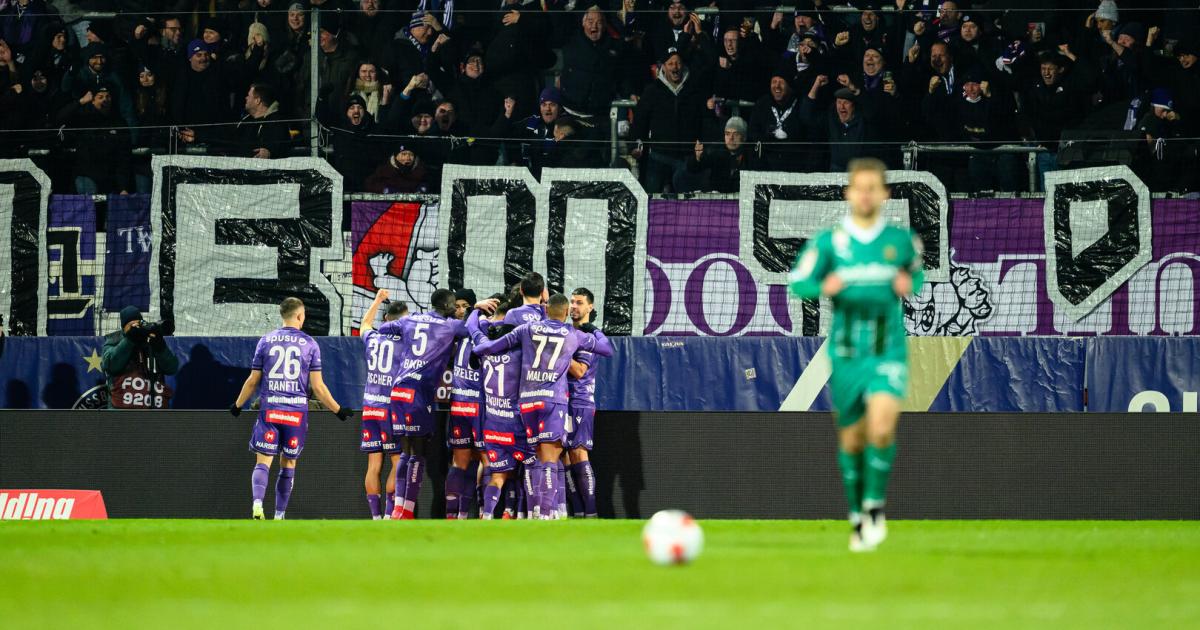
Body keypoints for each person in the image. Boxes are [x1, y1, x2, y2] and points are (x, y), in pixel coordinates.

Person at [787, 158, 924, 552]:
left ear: (884, 194)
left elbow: (916, 274)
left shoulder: (899, 241)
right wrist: (822, 285)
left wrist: (908, 281)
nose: (864, 194)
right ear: (848, 193)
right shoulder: (830, 242)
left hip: (888, 350)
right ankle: (856, 514)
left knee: (881, 427)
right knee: (852, 439)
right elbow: (798, 282)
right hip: (846, 353)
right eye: (858, 187)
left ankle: (875, 509)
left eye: (872, 187)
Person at [468, 293, 613, 520]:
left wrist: (476, 352)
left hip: (526, 402)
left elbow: (493, 347)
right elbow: (607, 349)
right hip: (553, 401)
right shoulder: (572, 333)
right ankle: (545, 512)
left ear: (546, 311)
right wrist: (595, 331)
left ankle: (525, 511)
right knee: (549, 458)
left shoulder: (527, 329)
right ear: (565, 313)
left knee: (534, 456)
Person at [230, 297, 354, 520]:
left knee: (263, 461)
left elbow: (252, 380)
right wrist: (338, 410)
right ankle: (279, 515)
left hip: (271, 409)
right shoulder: (310, 344)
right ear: (300, 316)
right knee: (288, 462)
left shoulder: (266, 341)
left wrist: (238, 405)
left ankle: (258, 504)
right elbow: (318, 386)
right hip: (295, 414)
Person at [377, 288, 484, 519]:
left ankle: (398, 507)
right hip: (419, 393)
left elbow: (384, 328)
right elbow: (471, 329)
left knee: (405, 452)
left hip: (398, 390)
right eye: (455, 305)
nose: (457, 309)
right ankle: (405, 510)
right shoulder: (450, 325)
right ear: (446, 306)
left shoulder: (411, 319)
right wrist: (476, 308)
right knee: (417, 454)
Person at [357, 291, 408, 520]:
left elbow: (365, 324)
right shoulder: (408, 344)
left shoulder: (374, 338)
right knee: (398, 461)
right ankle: (389, 514)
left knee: (374, 464)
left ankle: (375, 517)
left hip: (370, 407)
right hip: (391, 408)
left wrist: (377, 300)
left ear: (387, 319)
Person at [565, 287, 604, 518]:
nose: (574, 307)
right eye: (571, 302)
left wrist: (559, 352)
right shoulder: (568, 332)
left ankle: (591, 513)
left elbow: (579, 371)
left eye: (579, 303)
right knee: (564, 456)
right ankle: (578, 512)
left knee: (579, 454)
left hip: (580, 401)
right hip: (562, 400)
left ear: (590, 307)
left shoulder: (588, 338)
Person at [101, 306, 179, 409]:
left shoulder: (150, 340)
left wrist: (160, 347)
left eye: (139, 324)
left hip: (153, 412)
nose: (137, 328)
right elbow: (111, 365)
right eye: (132, 326)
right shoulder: (114, 340)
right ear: (124, 328)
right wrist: (130, 340)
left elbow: (172, 368)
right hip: (122, 414)